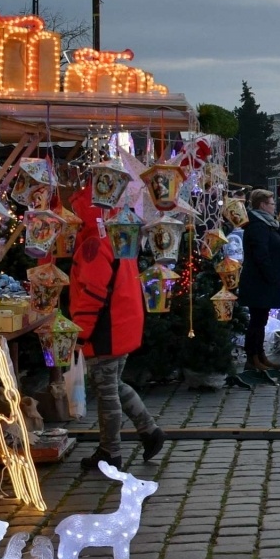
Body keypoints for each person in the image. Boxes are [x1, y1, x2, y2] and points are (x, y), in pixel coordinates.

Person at [69, 185, 165, 473]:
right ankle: (149, 431)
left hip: (106, 326)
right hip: (123, 321)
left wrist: (81, 332)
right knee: (114, 384)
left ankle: (111, 452)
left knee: (107, 390)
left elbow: (91, 292)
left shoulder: (94, 244)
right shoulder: (115, 237)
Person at [238, 187, 280, 382]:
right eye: (271, 203)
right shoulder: (257, 226)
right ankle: (252, 358)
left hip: (265, 280)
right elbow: (261, 254)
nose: (274, 206)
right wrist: (271, 274)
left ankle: (260, 355)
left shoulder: (267, 224)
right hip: (259, 281)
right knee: (256, 320)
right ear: (262, 205)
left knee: (261, 320)